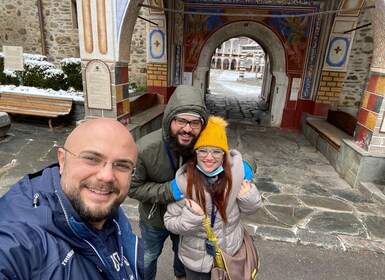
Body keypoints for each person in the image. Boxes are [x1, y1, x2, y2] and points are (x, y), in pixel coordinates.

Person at [0, 118, 144, 280]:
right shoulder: (17, 239)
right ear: (62, 159)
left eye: (122, 165)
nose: (107, 176)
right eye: (91, 158)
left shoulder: (112, 212)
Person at [164, 115, 262, 280]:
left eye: (216, 151)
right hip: (196, 260)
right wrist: (192, 216)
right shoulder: (183, 182)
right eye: (203, 150)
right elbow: (170, 222)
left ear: (224, 154)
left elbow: (252, 209)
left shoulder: (237, 176)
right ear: (195, 153)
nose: (209, 158)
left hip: (230, 252)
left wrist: (248, 197)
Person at [128, 85, 209, 280]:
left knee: (183, 256)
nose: (187, 129)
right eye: (181, 120)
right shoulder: (146, 148)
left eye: (194, 123)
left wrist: (247, 165)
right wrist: (170, 190)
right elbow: (133, 187)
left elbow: (233, 155)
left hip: (186, 218)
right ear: (169, 119)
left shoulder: (204, 144)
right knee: (148, 256)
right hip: (154, 218)